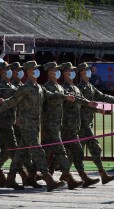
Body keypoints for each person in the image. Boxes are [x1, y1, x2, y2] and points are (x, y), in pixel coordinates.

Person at [0, 60, 74, 192]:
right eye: (34, 69)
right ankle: (48, 179)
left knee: (20, 152)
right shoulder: (25, 88)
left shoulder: (38, 87)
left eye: (37, 68)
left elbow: (51, 95)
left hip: (35, 124)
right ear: (29, 72)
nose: (37, 71)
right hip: (28, 125)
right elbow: (11, 101)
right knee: (38, 151)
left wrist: (65, 97)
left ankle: (10, 179)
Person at [77, 62, 114, 184]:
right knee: (94, 147)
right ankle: (101, 174)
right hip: (82, 123)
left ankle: (63, 173)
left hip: (88, 122)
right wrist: (96, 109)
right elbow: (82, 103)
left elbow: (101, 96)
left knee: (77, 151)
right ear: (81, 73)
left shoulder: (90, 86)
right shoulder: (79, 88)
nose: (89, 72)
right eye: (86, 70)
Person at [41, 61, 83, 190]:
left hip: (57, 124)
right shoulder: (46, 87)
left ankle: (30, 176)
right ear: (49, 72)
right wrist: (64, 97)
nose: (57, 72)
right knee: (61, 151)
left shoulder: (59, 86)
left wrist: (90, 104)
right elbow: (51, 100)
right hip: (49, 125)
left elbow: (71, 97)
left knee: (44, 152)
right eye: (54, 70)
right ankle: (69, 178)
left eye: (57, 70)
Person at [60, 62, 100, 187]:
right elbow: (75, 99)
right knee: (74, 151)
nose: (72, 72)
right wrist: (88, 103)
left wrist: (91, 105)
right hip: (67, 125)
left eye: (73, 70)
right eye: (70, 71)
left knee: (70, 152)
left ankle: (64, 176)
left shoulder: (75, 88)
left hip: (75, 125)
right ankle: (79, 177)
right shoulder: (64, 88)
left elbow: (81, 99)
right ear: (65, 73)